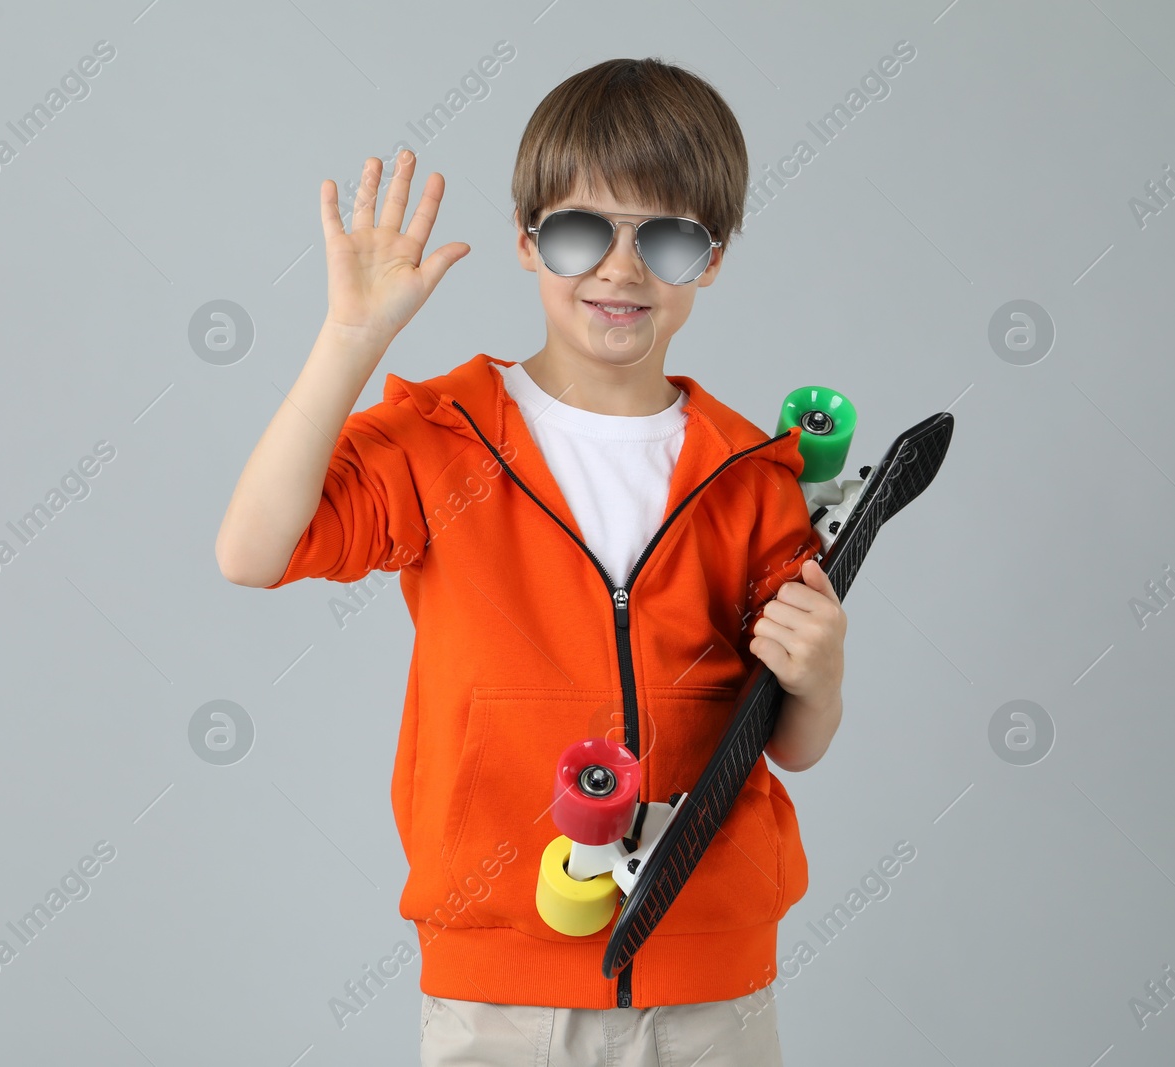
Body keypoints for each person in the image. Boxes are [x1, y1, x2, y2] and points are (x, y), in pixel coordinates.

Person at [216, 56, 847, 1067]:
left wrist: (821, 676)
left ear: (713, 258)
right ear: (525, 239)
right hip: (496, 982)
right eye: (582, 230)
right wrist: (349, 338)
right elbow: (253, 549)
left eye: (669, 238)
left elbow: (790, 743)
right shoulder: (441, 435)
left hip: (709, 981)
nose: (621, 268)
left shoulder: (749, 471)